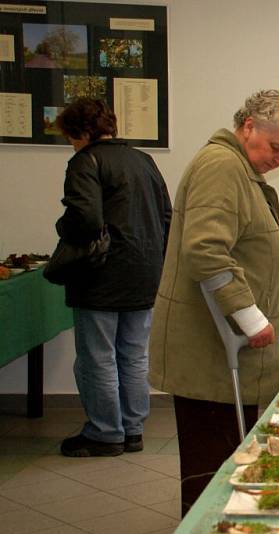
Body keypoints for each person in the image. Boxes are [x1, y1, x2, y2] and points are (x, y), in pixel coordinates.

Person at [149, 90, 279, 516]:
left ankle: (220, 530)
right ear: (248, 127)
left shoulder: (241, 170)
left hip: (226, 346)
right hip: (211, 346)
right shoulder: (222, 167)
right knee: (212, 459)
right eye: (276, 147)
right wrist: (251, 317)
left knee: (226, 452)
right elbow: (205, 250)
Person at [55, 98, 172, 457]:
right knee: (134, 356)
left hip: (100, 275)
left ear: (82, 132)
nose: (72, 144)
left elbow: (85, 219)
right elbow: (167, 216)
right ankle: (133, 430)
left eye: (72, 137)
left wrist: (62, 225)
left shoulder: (85, 161)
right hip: (144, 272)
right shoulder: (144, 160)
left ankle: (105, 433)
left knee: (97, 357)